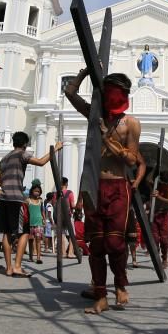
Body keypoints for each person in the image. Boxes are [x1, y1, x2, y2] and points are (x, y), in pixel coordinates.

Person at [65, 68, 145, 314]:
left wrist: (109, 141)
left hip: (118, 186)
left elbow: (132, 159)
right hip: (95, 185)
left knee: (115, 243)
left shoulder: (130, 123)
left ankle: (120, 283)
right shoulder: (94, 114)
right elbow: (70, 92)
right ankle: (100, 295)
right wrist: (84, 74)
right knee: (97, 246)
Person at [0, 131, 62, 278]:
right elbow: (40, 162)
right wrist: (55, 149)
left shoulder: (5, 158)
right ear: (25, 144)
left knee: (6, 233)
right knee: (25, 231)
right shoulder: (21, 154)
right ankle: (17, 267)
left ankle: (8, 268)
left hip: (3, 198)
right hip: (16, 199)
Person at [151, 169, 168, 269]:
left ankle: (164, 258)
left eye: (167, 183)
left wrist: (158, 197)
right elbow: (148, 179)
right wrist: (154, 169)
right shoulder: (156, 185)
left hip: (165, 215)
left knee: (164, 240)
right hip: (155, 214)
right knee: (155, 239)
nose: (165, 185)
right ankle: (156, 259)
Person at [27, 182, 44, 264]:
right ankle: (30, 257)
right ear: (32, 191)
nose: (37, 193)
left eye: (38, 191)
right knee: (30, 240)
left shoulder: (40, 201)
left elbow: (42, 211)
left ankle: (38, 257)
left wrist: (44, 219)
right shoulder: (28, 200)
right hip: (30, 223)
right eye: (35, 191)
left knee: (38, 240)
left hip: (38, 223)